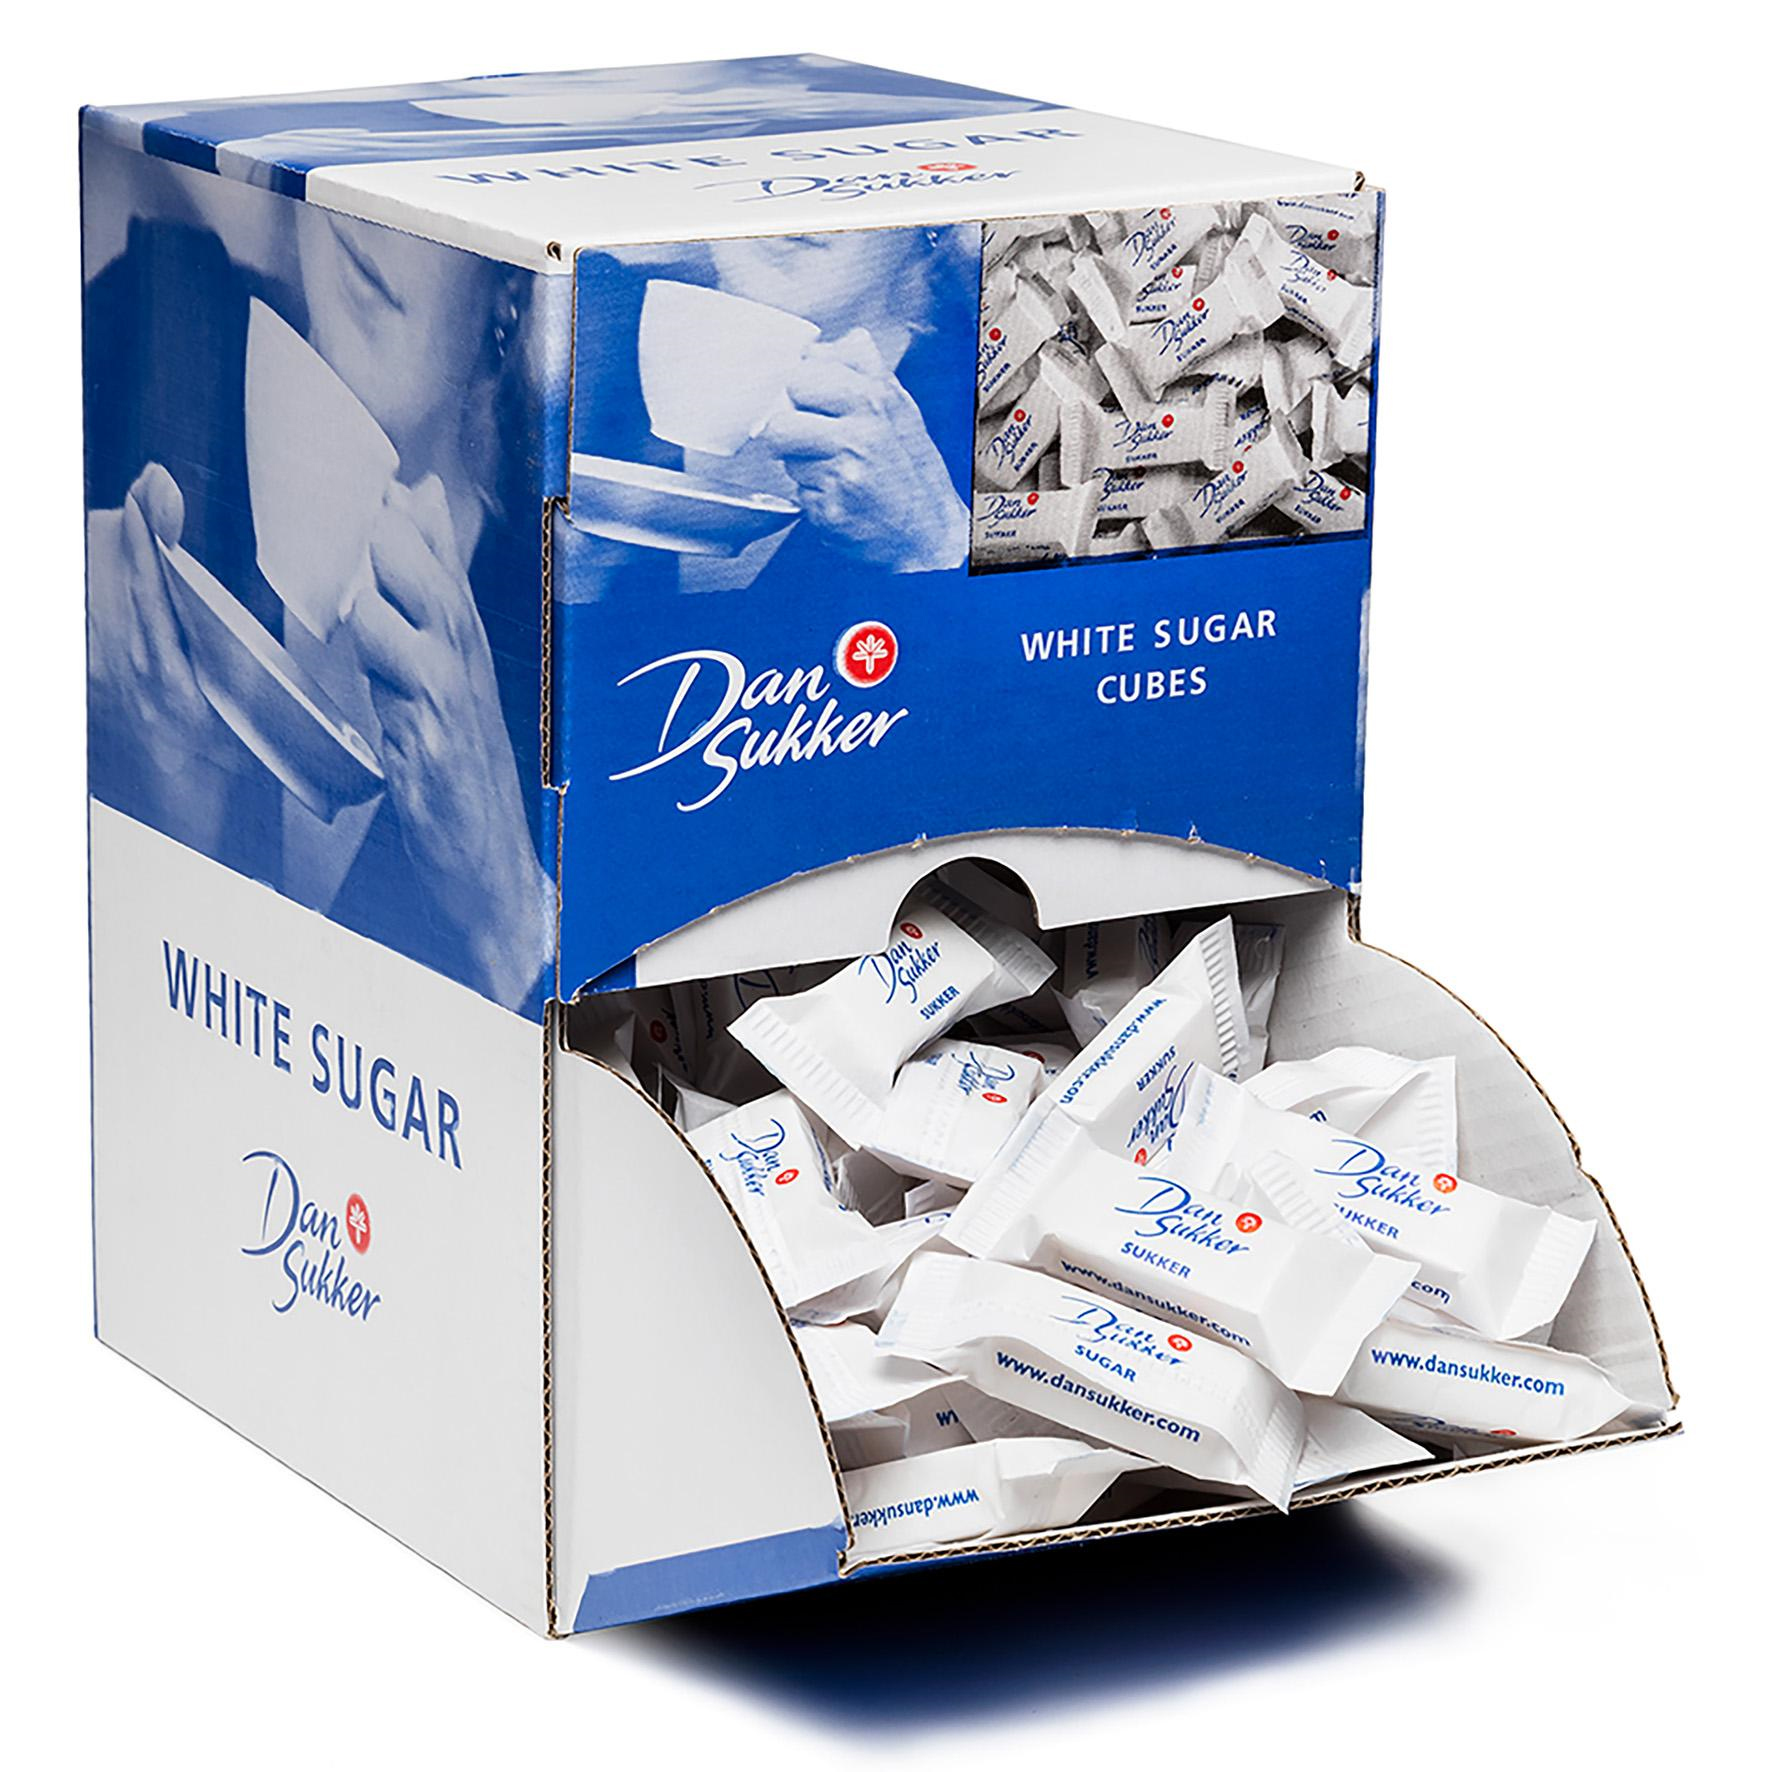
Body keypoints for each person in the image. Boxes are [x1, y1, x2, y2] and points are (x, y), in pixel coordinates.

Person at [85, 169, 554, 1014]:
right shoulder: (150, 339)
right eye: (358, 166)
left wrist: (504, 892)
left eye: (437, 191)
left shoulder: (555, 653)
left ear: (508, 288)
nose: (374, 210)